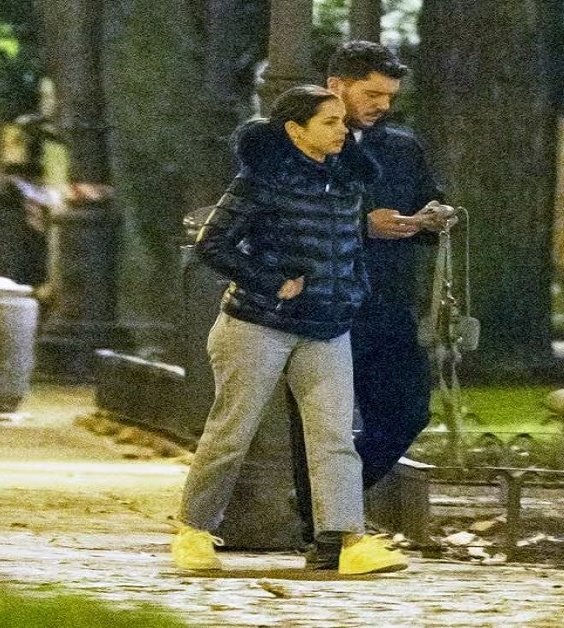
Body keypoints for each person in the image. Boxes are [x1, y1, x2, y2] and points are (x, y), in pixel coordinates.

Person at [172, 85, 408, 576]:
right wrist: (271, 281)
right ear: (296, 131)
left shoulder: (347, 181)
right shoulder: (261, 179)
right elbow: (212, 243)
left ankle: (347, 541)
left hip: (328, 326)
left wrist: (353, 292)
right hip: (257, 325)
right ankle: (193, 532)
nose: (342, 131)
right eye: (329, 122)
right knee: (232, 433)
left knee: (335, 438)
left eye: (342, 121)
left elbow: (349, 247)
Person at [292, 41, 452, 570]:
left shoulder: (402, 147)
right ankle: (327, 535)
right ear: (336, 86)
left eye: (390, 96)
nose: (383, 104)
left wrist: (432, 219)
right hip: (322, 303)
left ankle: (324, 507)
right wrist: (364, 226)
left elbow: (426, 200)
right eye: (372, 93)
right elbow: (287, 220)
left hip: (388, 302)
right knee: (324, 423)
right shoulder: (297, 141)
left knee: (407, 412)